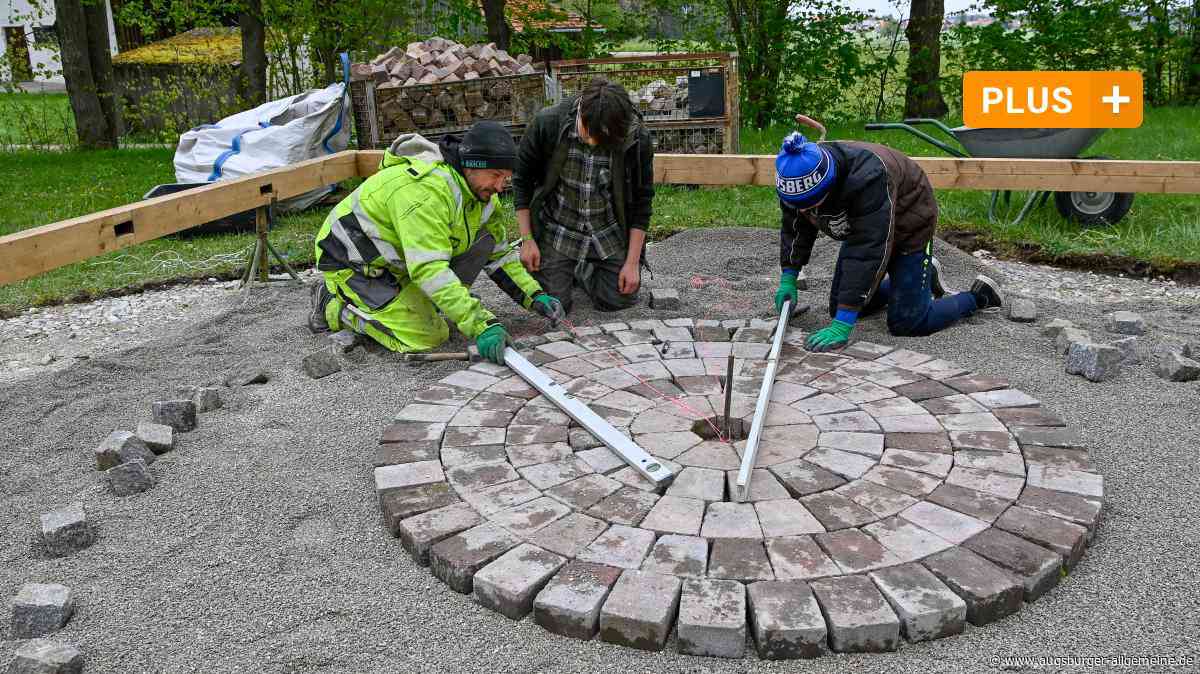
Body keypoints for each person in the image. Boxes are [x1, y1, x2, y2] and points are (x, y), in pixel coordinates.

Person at [308, 121, 564, 364]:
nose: (500, 186)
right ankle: (333, 305)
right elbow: (429, 269)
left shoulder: (481, 196)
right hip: (353, 264)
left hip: (398, 262)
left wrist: (535, 296)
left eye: (505, 178)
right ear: (471, 166)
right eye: (495, 175)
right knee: (428, 336)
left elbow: (498, 254)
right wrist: (480, 324)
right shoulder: (426, 193)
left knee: (483, 239)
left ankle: (422, 302)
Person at [772, 127, 1004, 352]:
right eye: (800, 206)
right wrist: (789, 277)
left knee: (908, 323)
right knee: (841, 307)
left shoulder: (867, 178)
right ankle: (919, 279)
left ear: (829, 184)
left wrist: (843, 325)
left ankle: (979, 297)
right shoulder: (796, 180)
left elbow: (866, 251)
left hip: (910, 221)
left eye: (813, 204)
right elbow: (795, 227)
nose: (807, 211)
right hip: (866, 227)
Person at [512, 77, 654, 314]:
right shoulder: (548, 123)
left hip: (607, 232)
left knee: (618, 300)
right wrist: (527, 240)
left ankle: (582, 270)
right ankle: (565, 267)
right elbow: (521, 182)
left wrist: (632, 264)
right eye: (590, 133)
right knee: (554, 305)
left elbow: (642, 202)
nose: (594, 141)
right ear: (580, 112)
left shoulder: (636, 138)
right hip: (559, 230)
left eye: (603, 137)